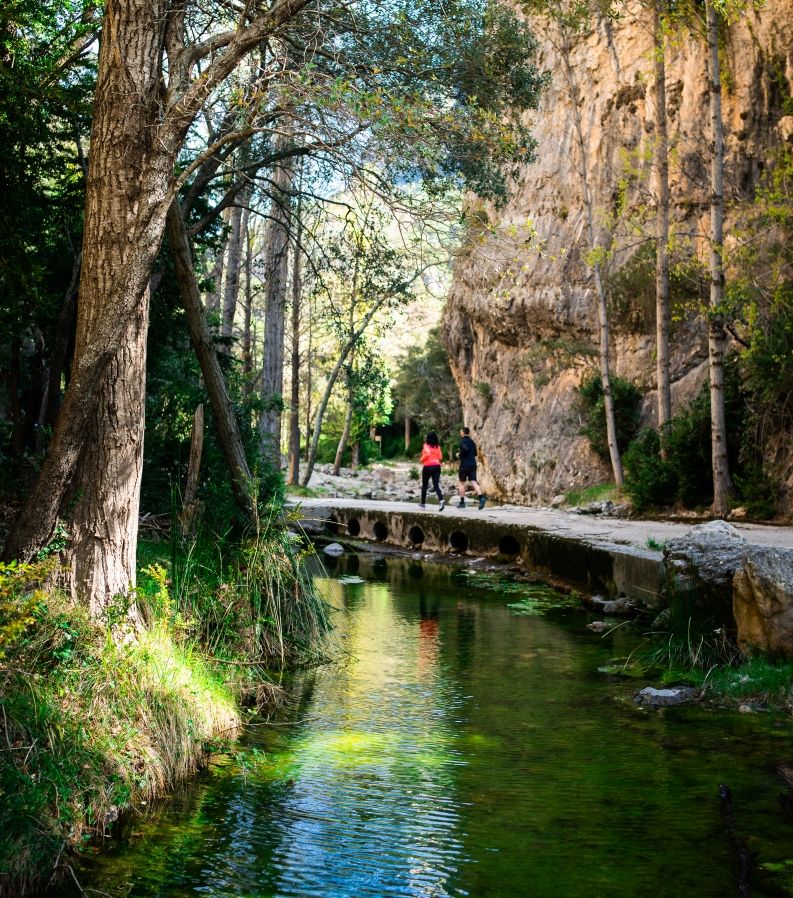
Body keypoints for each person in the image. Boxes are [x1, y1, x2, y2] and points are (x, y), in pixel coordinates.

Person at [457, 426, 486, 509]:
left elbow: (465, 449)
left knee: (462, 483)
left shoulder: (462, 441)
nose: (460, 433)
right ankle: (481, 498)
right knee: (474, 482)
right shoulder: (472, 442)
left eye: (460, 431)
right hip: (473, 464)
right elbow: (475, 454)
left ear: (462, 432)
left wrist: (459, 454)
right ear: (468, 433)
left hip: (464, 465)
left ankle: (462, 502)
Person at [418, 431, 445, 510]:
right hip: (437, 466)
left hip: (428, 467)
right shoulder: (438, 447)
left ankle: (423, 504)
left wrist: (421, 459)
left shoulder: (426, 445)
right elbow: (440, 458)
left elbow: (427, 454)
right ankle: (441, 500)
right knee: (436, 485)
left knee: (424, 486)